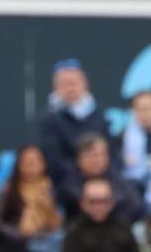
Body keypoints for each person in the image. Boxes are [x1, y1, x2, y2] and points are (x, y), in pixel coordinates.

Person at [37, 60, 109, 193]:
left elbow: (110, 151)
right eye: (64, 84)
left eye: (73, 83)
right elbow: (53, 158)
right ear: (56, 87)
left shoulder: (99, 114)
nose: (70, 88)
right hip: (65, 181)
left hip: (103, 178)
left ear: (85, 84)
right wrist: (84, 170)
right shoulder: (49, 118)